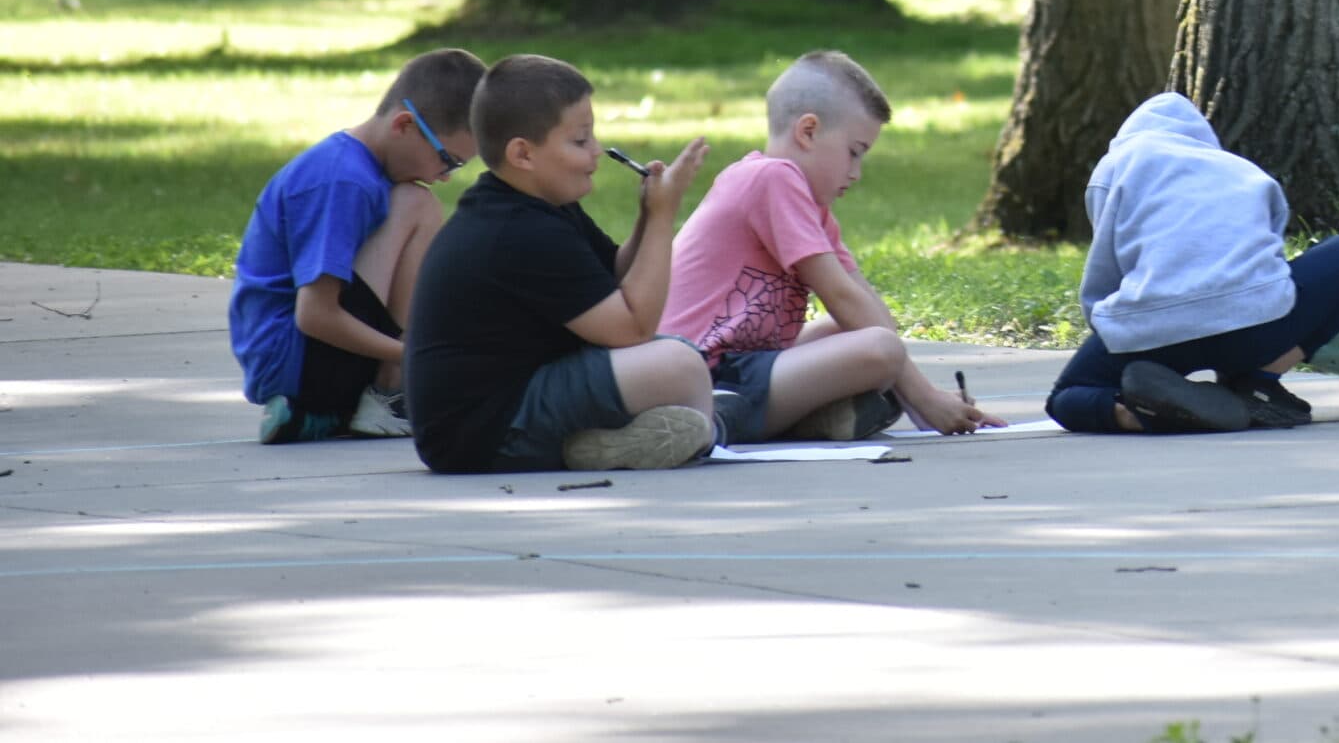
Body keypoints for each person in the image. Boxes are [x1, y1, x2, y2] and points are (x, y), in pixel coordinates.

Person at [1046, 93, 1339, 433]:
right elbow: (1268, 253)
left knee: (1068, 395)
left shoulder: (1114, 169)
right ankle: (1259, 382)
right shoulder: (1238, 169)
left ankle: (1136, 415)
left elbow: (1105, 270)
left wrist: (1107, 327)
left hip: (1156, 332)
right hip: (1255, 322)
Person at [664, 50, 999, 442]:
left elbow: (867, 308)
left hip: (743, 364)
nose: (856, 173)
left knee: (862, 334)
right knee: (879, 349)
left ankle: (811, 416)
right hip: (701, 371)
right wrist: (924, 398)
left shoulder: (813, 207)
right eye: (854, 153)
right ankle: (711, 424)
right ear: (808, 131)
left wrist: (919, 392)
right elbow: (840, 294)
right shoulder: (772, 178)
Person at [404, 54, 716, 474]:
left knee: (685, 371)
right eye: (580, 140)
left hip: (501, 408)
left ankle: (642, 435)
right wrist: (663, 218)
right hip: (484, 433)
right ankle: (625, 440)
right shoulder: (518, 230)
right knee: (679, 365)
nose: (597, 152)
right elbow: (633, 328)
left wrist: (645, 217)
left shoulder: (536, 206)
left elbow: (615, 277)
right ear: (523, 154)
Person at [229, 48, 485, 445]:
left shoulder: (356, 168)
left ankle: (324, 414)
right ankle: (389, 392)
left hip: (306, 361)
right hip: (296, 362)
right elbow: (315, 314)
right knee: (416, 204)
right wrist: (416, 356)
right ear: (404, 125)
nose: (445, 176)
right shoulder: (344, 180)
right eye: (447, 160)